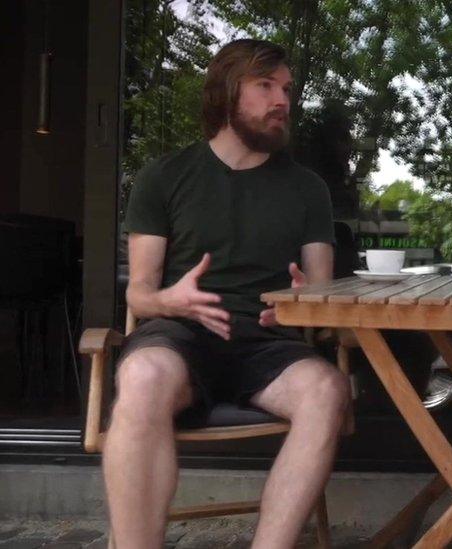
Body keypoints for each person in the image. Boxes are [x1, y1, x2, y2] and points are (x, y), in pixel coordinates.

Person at [104, 39, 349, 548]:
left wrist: (302, 304)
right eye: (266, 86)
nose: (282, 99)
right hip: (181, 336)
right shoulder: (165, 177)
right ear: (227, 92)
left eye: (287, 88)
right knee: (143, 374)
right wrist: (171, 301)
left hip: (267, 345)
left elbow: (322, 295)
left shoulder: (307, 189)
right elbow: (140, 295)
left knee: (327, 390)